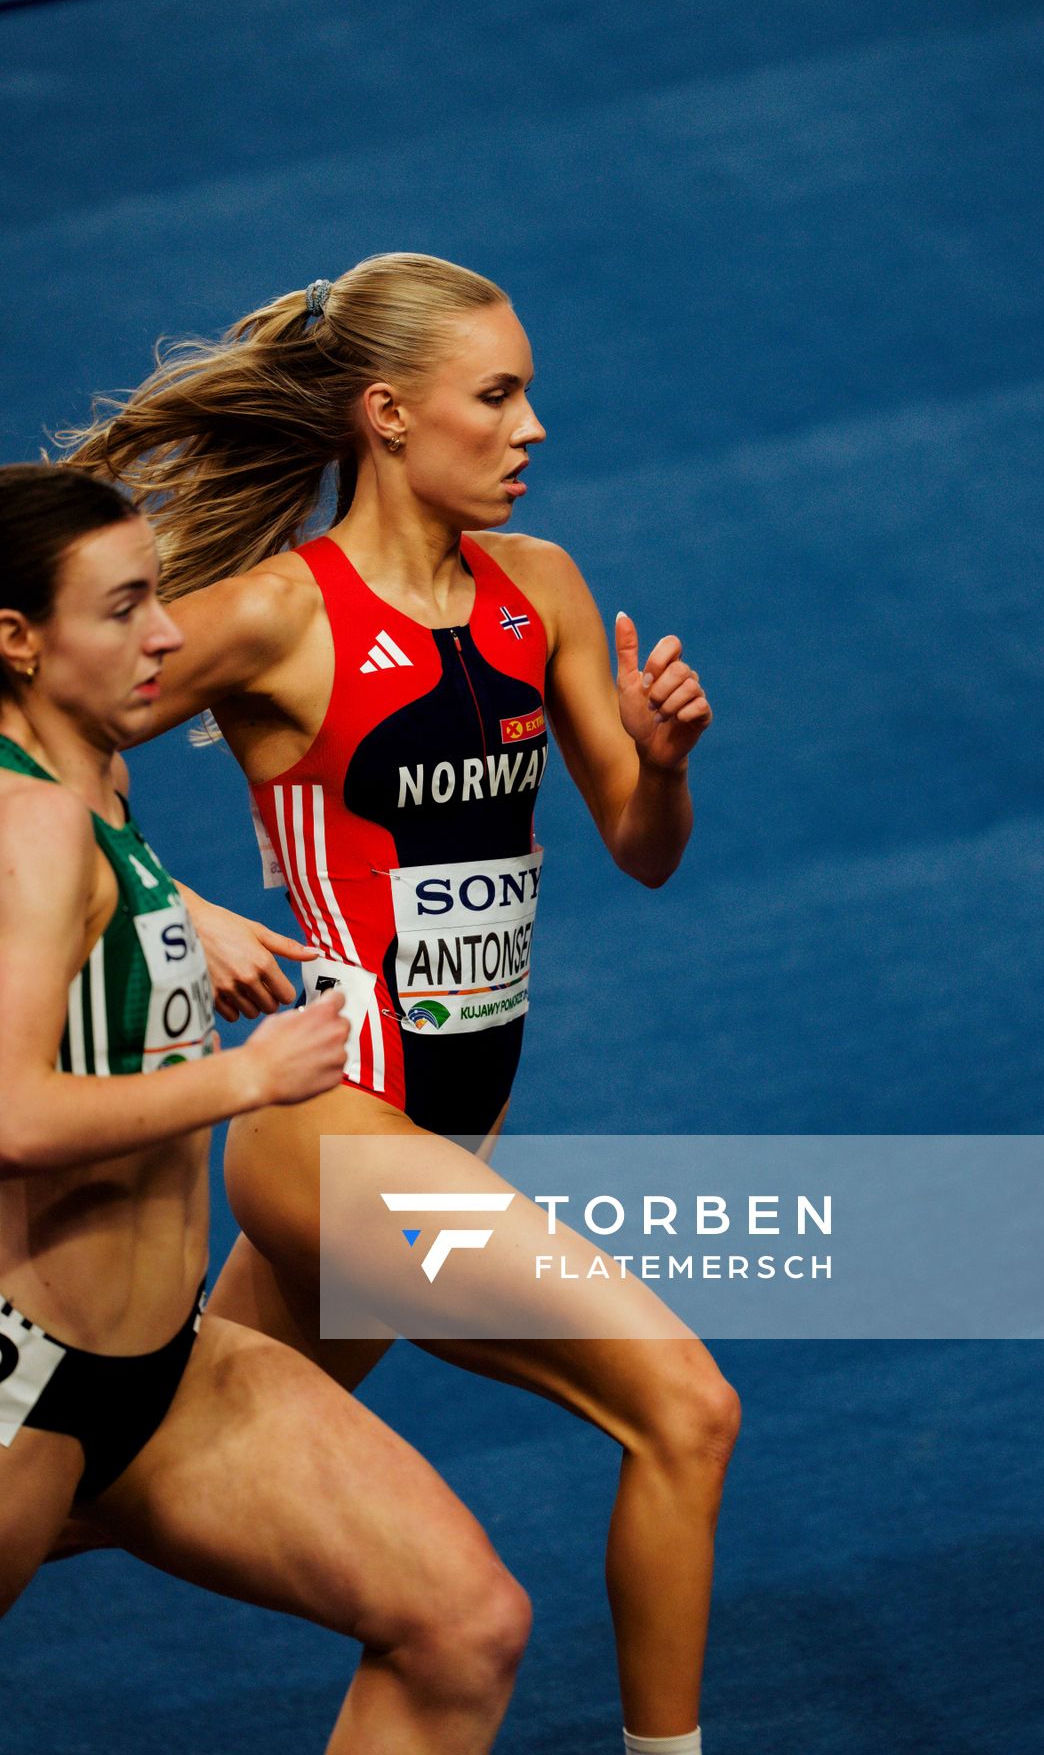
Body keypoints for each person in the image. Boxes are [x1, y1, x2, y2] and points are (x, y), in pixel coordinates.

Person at [67, 251, 740, 1755]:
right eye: (495, 396)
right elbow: (41, 734)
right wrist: (167, 901)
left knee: (106, 1473)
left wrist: (665, 758)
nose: (532, 429)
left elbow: (639, 850)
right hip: (339, 1140)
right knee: (684, 1414)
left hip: (451, 1137)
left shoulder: (541, 593)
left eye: (530, 396)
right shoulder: (272, 616)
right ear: (386, 414)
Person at [0, 463, 531, 1752]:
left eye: (158, 601)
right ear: (16, 640)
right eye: (123, 609)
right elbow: (8, 1113)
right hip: (25, 1379)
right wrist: (246, 1077)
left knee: (463, 1626)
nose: (169, 636)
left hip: (165, 1367)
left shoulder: (98, 805)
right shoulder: (33, 834)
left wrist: (175, 909)